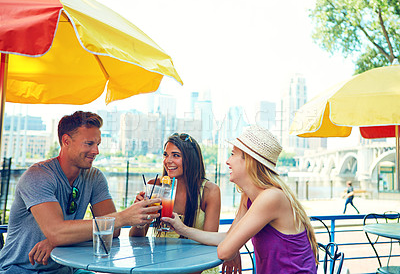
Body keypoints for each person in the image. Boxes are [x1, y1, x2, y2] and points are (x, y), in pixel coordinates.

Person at [0, 111, 161, 274]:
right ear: (66, 141)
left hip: (66, 269)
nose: (96, 151)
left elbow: (113, 231)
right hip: (21, 268)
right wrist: (123, 217)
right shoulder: (38, 176)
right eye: (89, 143)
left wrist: (58, 241)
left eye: (98, 144)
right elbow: (57, 232)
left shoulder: (94, 177)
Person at [163, 125, 318, 274]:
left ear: (248, 160)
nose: (227, 161)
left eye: (232, 154)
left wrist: (232, 248)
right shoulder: (249, 197)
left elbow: (225, 250)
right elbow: (227, 238)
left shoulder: (272, 197)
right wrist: (181, 228)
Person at [129, 133, 221, 274]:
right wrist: (140, 217)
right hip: (163, 266)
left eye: (176, 155)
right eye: (166, 155)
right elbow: (135, 237)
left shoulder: (210, 191)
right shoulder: (155, 186)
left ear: (191, 160)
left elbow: (209, 245)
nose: (168, 160)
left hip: (199, 267)